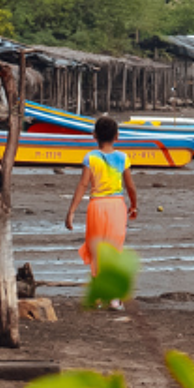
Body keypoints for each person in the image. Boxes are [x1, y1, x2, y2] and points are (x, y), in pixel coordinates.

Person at [65, 116, 138, 309]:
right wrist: (134, 206)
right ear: (117, 136)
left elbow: (83, 185)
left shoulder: (91, 158)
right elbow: (130, 187)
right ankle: (114, 297)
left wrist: (71, 211)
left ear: (94, 135)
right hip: (116, 206)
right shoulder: (123, 158)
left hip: (96, 206)